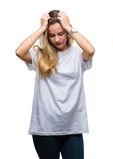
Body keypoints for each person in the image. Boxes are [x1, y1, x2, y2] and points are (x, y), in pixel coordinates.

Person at [15, 10, 95, 159]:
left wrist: (69, 26)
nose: (57, 39)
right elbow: (19, 52)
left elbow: (90, 50)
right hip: (45, 128)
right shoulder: (39, 55)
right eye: (51, 35)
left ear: (67, 32)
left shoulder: (77, 55)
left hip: (72, 128)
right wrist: (41, 29)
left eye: (61, 33)